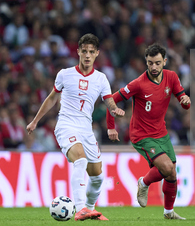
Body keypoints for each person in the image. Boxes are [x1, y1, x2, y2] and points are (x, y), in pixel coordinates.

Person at [26, 33, 125, 221]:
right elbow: (52, 98)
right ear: (78, 51)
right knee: (80, 159)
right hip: (66, 125)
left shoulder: (101, 78)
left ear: (97, 54)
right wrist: (35, 120)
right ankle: (80, 208)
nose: (87, 55)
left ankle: (90, 209)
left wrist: (114, 110)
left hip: (86, 130)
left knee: (97, 176)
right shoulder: (65, 74)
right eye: (84, 51)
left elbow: (109, 102)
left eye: (91, 52)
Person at [106, 43, 191, 219]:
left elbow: (183, 101)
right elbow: (111, 100)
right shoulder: (138, 84)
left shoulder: (172, 77)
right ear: (146, 62)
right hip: (141, 135)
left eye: (157, 63)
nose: (154, 67)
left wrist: (185, 100)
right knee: (167, 167)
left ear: (165, 62)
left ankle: (168, 212)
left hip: (161, 132)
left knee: (172, 173)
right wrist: (110, 126)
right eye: (150, 63)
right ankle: (143, 183)